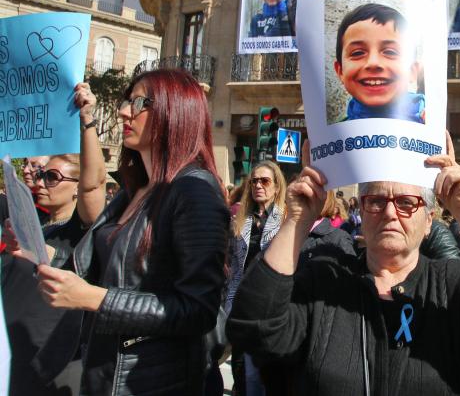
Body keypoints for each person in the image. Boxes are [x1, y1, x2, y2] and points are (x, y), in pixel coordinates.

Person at [227, 135, 460, 395]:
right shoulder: (323, 282)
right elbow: (253, 329)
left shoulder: (453, 283)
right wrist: (297, 219)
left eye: (407, 203)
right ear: (362, 214)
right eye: (376, 201)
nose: (390, 212)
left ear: (429, 221)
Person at [28, 69, 229, 396]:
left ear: (174, 111)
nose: (124, 111)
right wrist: (37, 251)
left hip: (153, 382)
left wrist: (95, 299)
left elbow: (198, 309)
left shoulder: (195, 191)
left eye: (139, 102)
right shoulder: (134, 189)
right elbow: (107, 269)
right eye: (127, 101)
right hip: (104, 373)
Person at [2, 83, 108, 395]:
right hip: (13, 356)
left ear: (76, 185)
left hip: (49, 365)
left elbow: (94, 185)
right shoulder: (35, 222)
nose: (42, 181)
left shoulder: (82, 231)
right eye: (42, 174)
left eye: (53, 176)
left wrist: (87, 119)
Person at [226, 160, 287, 396]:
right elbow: (232, 262)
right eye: (254, 181)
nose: (258, 185)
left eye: (265, 181)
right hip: (240, 304)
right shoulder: (241, 220)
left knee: (264, 375)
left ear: (276, 187)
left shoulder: (284, 221)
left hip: (267, 307)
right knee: (241, 370)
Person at [333, 3, 425, 123]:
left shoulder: (430, 127)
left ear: (413, 71)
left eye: (390, 52)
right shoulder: (333, 136)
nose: (373, 63)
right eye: (357, 53)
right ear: (340, 72)